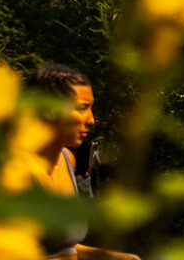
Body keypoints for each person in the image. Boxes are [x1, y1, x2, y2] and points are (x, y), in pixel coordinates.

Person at [29, 64, 138, 260]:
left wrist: (117, 257)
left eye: (91, 108)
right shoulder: (15, 169)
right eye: (82, 108)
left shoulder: (67, 160)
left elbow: (64, 248)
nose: (91, 120)